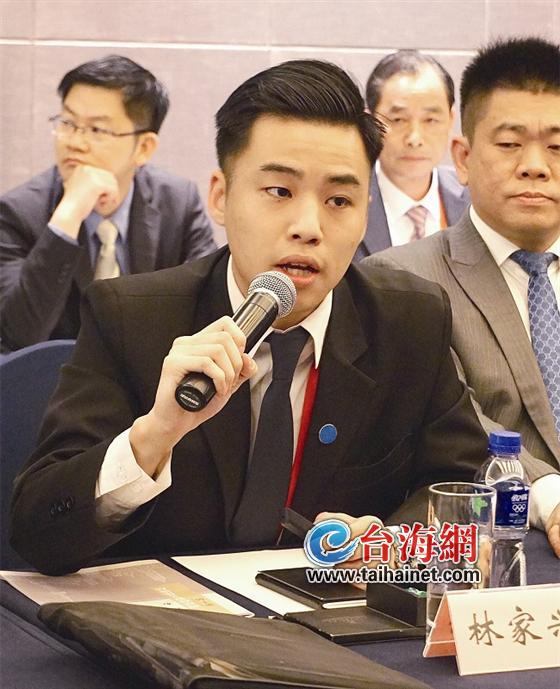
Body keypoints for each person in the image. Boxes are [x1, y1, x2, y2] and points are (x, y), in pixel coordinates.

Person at [10, 59, 488, 575]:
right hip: (168, 614)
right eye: (279, 192)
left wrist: (391, 542)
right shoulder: (129, 317)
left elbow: (461, 486)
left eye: (339, 200)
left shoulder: (410, 320)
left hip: (332, 611)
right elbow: (37, 532)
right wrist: (154, 435)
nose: (308, 227)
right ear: (220, 196)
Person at [365, 37, 560, 556]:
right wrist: (550, 496)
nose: (535, 166)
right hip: (493, 548)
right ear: (465, 158)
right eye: (510, 143)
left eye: (557, 147)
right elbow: (456, 424)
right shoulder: (401, 281)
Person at [0, 55, 216, 352]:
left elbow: (209, 309)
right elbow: (18, 336)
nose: (74, 142)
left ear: (144, 147)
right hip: (55, 377)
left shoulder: (178, 205)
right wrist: (67, 217)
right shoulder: (19, 212)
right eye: (67, 123)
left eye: (97, 130)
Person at [355, 50, 469, 260]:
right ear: (370, 123)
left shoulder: (475, 199)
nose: (414, 138)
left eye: (430, 120)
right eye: (398, 120)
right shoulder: (347, 199)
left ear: (451, 120)